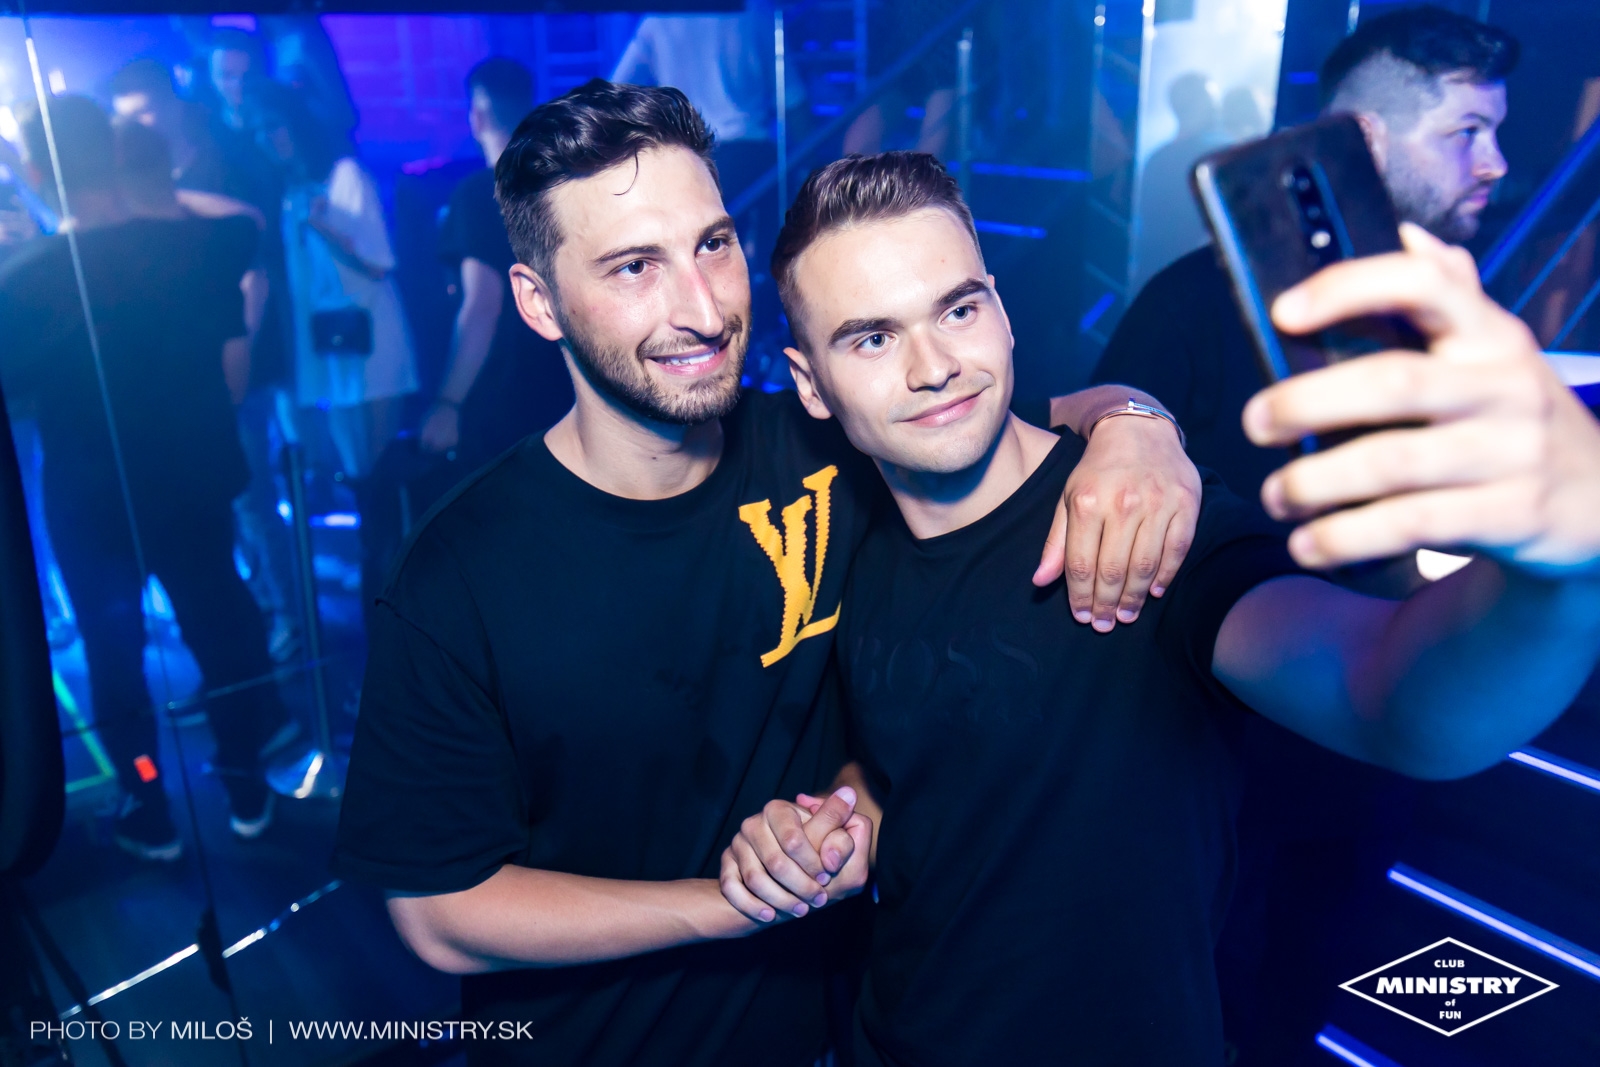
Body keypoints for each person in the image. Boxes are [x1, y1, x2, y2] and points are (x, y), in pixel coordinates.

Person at [331, 80, 1205, 1065]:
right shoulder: (458, 574)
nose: (702, 308)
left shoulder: (832, 440)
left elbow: (995, 413)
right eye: (634, 266)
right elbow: (439, 911)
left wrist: (1137, 426)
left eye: (711, 244)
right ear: (538, 303)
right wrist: (732, 902)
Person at [720, 150, 1600, 1065]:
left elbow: (1390, 694)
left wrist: (1564, 574)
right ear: (811, 383)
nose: (933, 366)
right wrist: (839, 818)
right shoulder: (848, 532)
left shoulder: (1142, 521)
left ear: (1001, 312)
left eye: (958, 310)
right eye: (871, 339)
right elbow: (928, 758)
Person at [1089, 10, 1520, 1059]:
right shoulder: (1194, 300)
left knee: (1297, 1003)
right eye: (1466, 132)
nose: (1497, 164)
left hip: (1369, 754)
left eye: (1498, 132)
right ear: (1363, 141)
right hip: (1215, 761)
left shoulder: (1458, 322)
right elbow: (1092, 468)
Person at [0, 97, 291, 859]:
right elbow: (246, 221)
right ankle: (245, 779)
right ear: (117, 156)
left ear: (37, 172)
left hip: (92, 496)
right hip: (192, 478)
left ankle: (147, 799)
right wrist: (149, 191)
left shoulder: (26, 277)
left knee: (115, 651)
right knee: (221, 626)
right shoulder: (204, 243)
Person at [423, 57, 573, 467]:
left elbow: (482, 306)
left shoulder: (477, 194)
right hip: (566, 382)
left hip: (504, 391)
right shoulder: (563, 185)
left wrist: (448, 402)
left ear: (478, 116)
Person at [265, 90, 418, 479]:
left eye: (274, 126)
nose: (268, 138)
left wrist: (322, 226)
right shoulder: (293, 191)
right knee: (355, 469)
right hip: (330, 338)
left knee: (379, 465)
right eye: (261, 130)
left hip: (369, 330)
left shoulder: (345, 175)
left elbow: (378, 263)